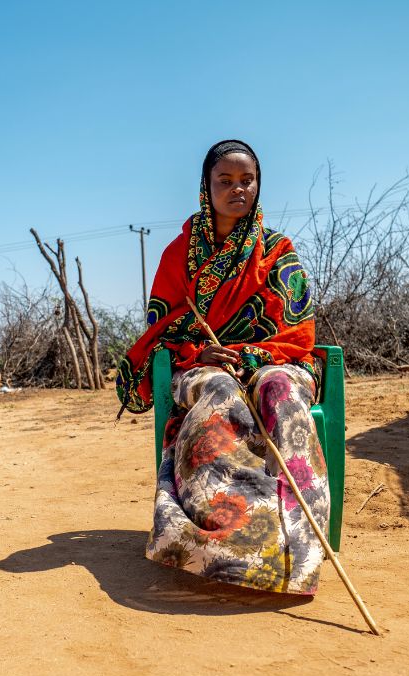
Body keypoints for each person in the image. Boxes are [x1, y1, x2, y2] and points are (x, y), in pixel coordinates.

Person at [116, 139, 329, 595]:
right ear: (205, 188)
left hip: (275, 361)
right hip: (203, 364)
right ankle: (223, 539)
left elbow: (299, 334)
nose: (238, 189)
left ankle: (297, 540)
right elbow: (161, 332)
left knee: (278, 391)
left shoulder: (278, 251)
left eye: (246, 180)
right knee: (218, 391)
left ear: (258, 185)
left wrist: (255, 357)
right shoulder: (177, 256)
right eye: (225, 181)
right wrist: (200, 354)